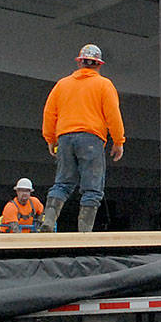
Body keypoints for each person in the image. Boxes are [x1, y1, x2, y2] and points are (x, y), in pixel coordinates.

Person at [39, 44, 125, 232]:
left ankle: (49, 219)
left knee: (62, 183)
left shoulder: (62, 84)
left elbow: (49, 113)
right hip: (91, 139)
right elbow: (113, 115)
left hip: (65, 138)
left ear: (79, 63)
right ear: (98, 65)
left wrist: (50, 139)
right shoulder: (104, 85)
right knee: (92, 188)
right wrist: (118, 141)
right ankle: (84, 233)